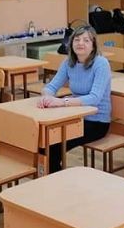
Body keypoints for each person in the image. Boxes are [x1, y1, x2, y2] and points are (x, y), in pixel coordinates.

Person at [39, 25, 111, 173]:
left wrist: (61, 102)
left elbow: (95, 98)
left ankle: (57, 181)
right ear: (71, 43)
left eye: (86, 40)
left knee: (53, 146)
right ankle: (51, 178)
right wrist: (46, 97)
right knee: (44, 141)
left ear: (93, 45)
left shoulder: (101, 64)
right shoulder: (68, 63)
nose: (80, 43)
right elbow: (51, 86)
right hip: (74, 116)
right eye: (77, 40)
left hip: (96, 121)